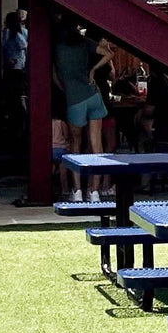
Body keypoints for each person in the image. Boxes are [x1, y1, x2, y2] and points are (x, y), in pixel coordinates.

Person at [52, 19, 106, 202]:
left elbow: (55, 78)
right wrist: (93, 71)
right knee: (96, 145)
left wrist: (65, 88)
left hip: (74, 99)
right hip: (93, 95)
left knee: (75, 144)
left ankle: (77, 190)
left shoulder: (57, 49)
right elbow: (108, 54)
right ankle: (95, 191)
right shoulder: (85, 43)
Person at [1, 11, 28, 146]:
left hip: (18, 68)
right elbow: (4, 45)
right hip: (12, 68)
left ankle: (17, 124)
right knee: (12, 97)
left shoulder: (21, 32)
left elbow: (24, 45)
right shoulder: (6, 33)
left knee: (17, 95)